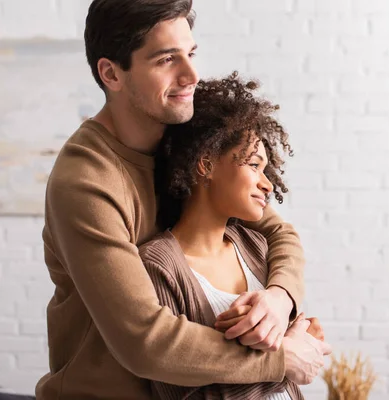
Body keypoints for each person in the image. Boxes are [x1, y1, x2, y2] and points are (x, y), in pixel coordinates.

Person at [35, 0, 330, 399]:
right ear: (111, 73)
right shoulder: (87, 180)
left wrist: (280, 299)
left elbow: (279, 232)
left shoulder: (181, 141)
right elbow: (146, 341)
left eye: (190, 53)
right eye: (165, 60)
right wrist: (281, 359)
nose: (191, 74)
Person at [139, 72, 330, 399]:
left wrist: (299, 335)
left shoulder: (255, 245)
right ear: (206, 164)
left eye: (267, 170)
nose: (267, 183)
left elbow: (291, 344)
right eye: (254, 165)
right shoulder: (159, 266)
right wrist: (285, 359)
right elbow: (179, 392)